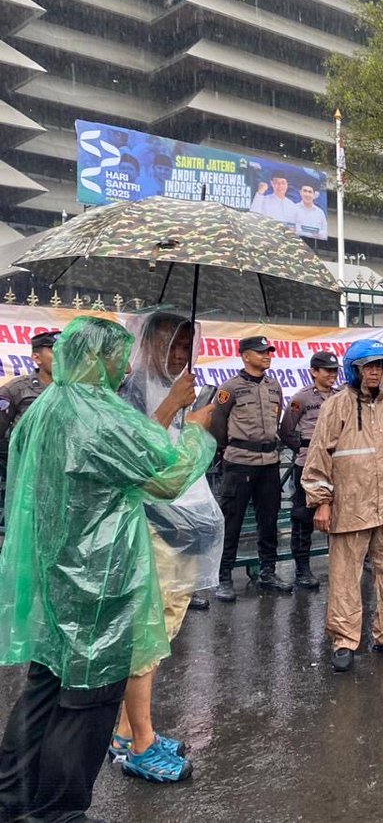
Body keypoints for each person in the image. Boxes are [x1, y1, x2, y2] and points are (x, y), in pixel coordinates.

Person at [0, 316, 215, 822]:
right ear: (96, 357)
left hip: (56, 577)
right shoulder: (97, 415)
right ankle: (59, 812)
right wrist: (198, 434)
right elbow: (165, 478)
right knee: (86, 711)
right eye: (117, 355)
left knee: (42, 694)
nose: (123, 365)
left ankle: (11, 801)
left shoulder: (47, 407)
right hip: (99, 584)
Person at [111, 313, 225, 783]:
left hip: (183, 526)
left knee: (164, 633)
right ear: (148, 342)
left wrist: (193, 413)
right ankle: (140, 745)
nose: (179, 354)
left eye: (186, 345)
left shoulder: (180, 385)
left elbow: (180, 454)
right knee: (145, 637)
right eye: (171, 344)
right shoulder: (130, 392)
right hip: (150, 528)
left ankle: (124, 731)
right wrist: (174, 409)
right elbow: (131, 457)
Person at [302, 340, 383, 672]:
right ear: (354, 370)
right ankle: (344, 639)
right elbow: (319, 455)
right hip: (350, 505)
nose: (375, 372)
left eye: (380, 366)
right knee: (345, 576)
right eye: (368, 367)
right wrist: (321, 502)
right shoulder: (336, 406)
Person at [211, 335, 290, 601]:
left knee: (268, 520)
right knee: (232, 521)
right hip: (240, 461)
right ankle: (223, 577)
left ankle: (268, 571)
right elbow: (218, 421)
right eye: (261, 352)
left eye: (269, 351)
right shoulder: (230, 388)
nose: (267, 355)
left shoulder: (273, 386)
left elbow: (277, 417)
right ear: (245, 356)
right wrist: (228, 447)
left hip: (269, 462)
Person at [278, 350, 341, 590]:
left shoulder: (340, 396)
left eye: (335, 371)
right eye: (327, 371)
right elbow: (286, 431)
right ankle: (302, 569)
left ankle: (339, 565)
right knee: (303, 517)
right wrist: (307, 450)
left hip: (336, 464)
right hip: (307, 465)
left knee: (338, 516)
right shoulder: (301, 398)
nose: (331, 376)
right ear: (314, 372)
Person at [0, 330, 59, 458]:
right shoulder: (17, 389)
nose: (63, 357)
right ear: (37, 358)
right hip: (24, 467)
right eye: (56, 352)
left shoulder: (76, 389)